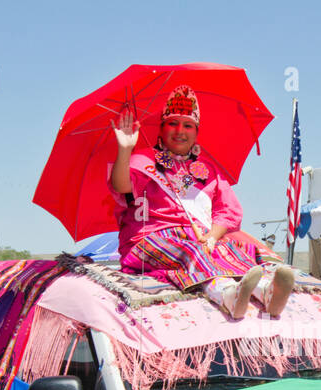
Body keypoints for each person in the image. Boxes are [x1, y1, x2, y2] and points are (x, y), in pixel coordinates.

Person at [109, 85, 295, 320]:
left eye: (187, 125)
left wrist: (213, 236)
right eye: (173, 123)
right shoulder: (143, 159)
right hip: (150, 241)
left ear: (196, 132)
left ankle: (267, 292)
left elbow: (228, 210)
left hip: (199, 238)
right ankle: (226, 295)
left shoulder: (209, 169)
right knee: (192, 250)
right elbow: (121, 186)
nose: (180, 131)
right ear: (162, 128)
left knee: (232, 251)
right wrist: (125, 150)